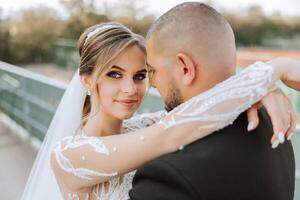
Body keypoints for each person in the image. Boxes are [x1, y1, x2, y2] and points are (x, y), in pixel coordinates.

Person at [21, 21, 299, 200]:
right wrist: (273, 71)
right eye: (114, 75)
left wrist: (262, 92)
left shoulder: (148, 124)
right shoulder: (69, 155)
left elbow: (202, 109)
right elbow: (171, 134)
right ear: (86, 80)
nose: (131, 89)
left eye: (141, 76)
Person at [128, 3, 299, 200]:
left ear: (185, 68)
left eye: (152, 71)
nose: (152, 84)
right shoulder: (270, 120)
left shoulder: (171, 176)